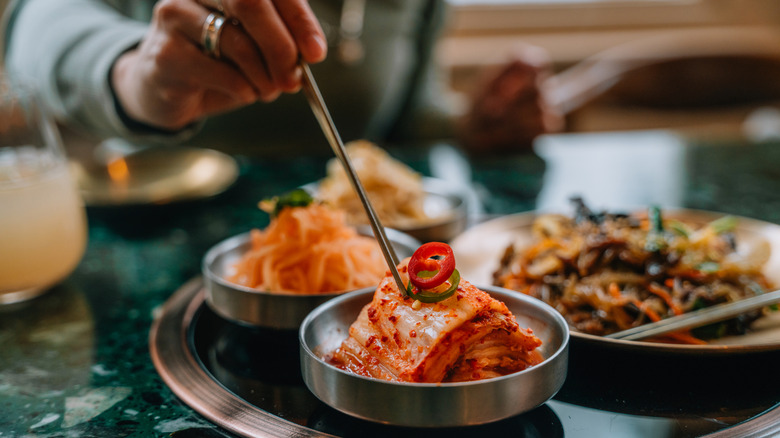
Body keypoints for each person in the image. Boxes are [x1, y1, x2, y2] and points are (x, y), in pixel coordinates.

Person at [1, 0, 559, 156]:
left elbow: (403, 114)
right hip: (150, 234)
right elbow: (34, 20)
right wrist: (132, 72)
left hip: (349, 263)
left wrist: (469, 125)